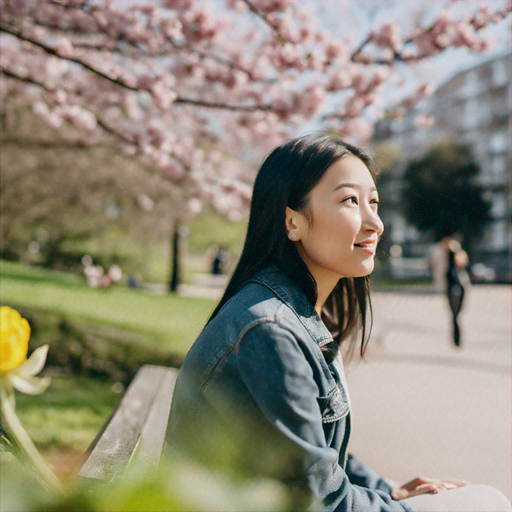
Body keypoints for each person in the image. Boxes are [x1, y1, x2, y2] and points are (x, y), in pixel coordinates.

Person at [167, 134, 511, 512]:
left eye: (374, 202)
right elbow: (323, 503)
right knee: (487, 501)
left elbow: (311, 453)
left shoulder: (286, 312)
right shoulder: (270, 329)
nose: (375, 223)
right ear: (292, 222)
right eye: (350, 200)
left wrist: (389, 488)